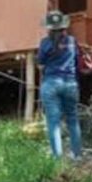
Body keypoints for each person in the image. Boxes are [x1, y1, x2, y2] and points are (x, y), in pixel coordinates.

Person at [37, 10, 83, 160]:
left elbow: (41, 64)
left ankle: (57, 158)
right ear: (64, 26)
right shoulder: (72, 41)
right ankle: (77, 156)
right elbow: (77, 63)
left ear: (49, 28)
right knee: (72, 119)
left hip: (51, 83)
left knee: (53, 122)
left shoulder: (45, 43)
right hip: (70, 83)